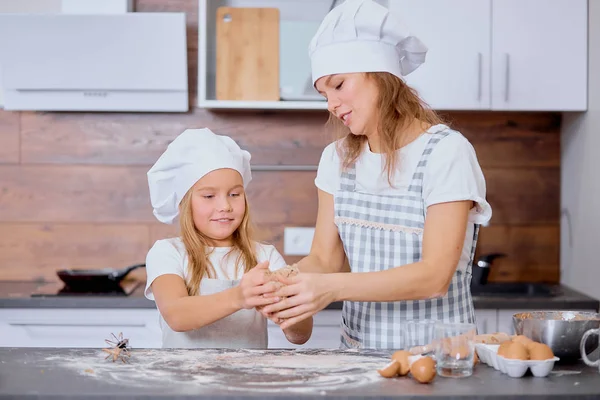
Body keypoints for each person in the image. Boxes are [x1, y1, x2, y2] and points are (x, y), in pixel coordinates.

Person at [260, 0, 492, 350]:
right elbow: (325, 259)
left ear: (382, 77)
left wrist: (332, 287)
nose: (331, 105)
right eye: (324, 94)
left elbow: (434, 277)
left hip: (440, 359)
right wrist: (283, 282)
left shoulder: (446, 153)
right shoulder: (336, 159)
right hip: (358, 357)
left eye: (338, 85)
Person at [145, 128, 313, 348]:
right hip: (185, 380)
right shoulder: (168, 253)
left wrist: (286, 311)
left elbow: (300, 336)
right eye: (209, 196)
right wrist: (239, 297)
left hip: (246, 381)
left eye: (235, 194)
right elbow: (176, 315)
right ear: (184, 202)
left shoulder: (264, 255)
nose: (225, 206)